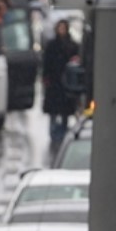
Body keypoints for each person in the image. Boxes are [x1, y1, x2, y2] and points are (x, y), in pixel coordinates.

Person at [41, 19, 81, 148]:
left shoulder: (72, 45)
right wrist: (46, 78)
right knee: (53, 111)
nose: (62, 30)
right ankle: (53, 133)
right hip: (54, 82)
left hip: (66, 84)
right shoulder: (52, 45)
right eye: (60, 28)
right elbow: (46, 63)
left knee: (64, 111)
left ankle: (62, 132)